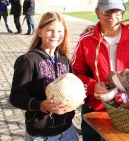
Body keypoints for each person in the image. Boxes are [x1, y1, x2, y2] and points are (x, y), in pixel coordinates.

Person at [71, 0, 129, 141]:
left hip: (127, 110)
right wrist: (93, 85)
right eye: (107, 12)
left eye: (117, 12)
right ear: (97, 13)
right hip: (95, 108)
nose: (113, 17)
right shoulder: (86, 40)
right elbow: (74, 73)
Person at [10, 12, 78, 141]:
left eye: (60, 31)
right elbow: (16, 96)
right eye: (50, 30)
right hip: (42, 135)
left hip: (68, 130)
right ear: (40, 32)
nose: (55, 35)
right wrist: (41, 105)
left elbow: (74, 86)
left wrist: (78, 96)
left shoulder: (64, 60)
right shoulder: (28, 60)